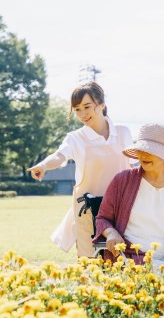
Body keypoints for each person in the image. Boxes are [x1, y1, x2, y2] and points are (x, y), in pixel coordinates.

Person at [27, 81, 134, 257]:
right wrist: (44, 165)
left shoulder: (123, 132)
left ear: (101, 105)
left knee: (127, 259)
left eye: (87, 106)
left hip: (123, 207)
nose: (82, 113)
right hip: (89, 209)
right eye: (77, 109)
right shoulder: (76, 138)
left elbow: (136, 163)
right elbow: (60, 156)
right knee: (90, 262)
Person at [92, 123, 164, 268]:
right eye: (141, 149)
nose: (144, 154)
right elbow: (102, 219)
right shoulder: (122, 180)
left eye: (150, 150)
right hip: (132, 258)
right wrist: (111, 233)